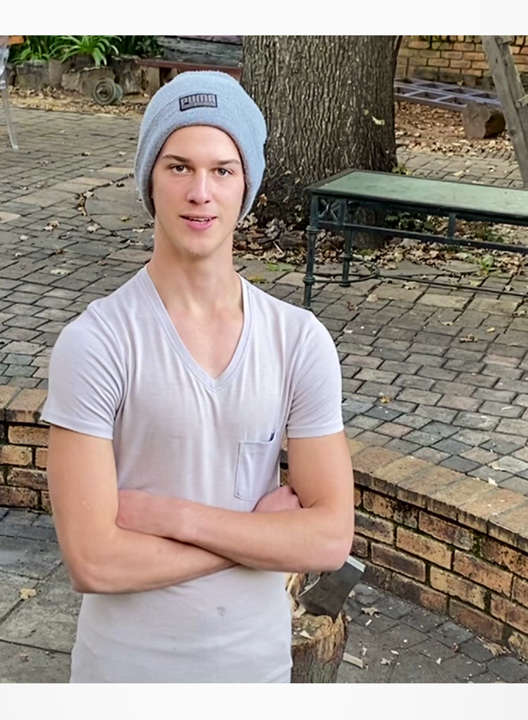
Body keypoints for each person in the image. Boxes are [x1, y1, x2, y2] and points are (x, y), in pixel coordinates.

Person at [40, 71, 354, 683]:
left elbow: (327, 539)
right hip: (123, 676)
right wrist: (260, 536)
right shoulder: (97, 341)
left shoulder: (298, 340)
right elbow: (94, 561)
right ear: (150, 181)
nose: (200, 193)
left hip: (255, 673)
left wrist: (173, 518)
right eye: (179, 167)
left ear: (246, 187)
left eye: (222, 170)